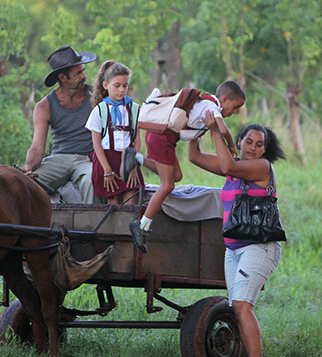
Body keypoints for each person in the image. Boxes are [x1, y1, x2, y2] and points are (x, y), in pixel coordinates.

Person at [188, 114, 286, 357]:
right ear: (239, 141)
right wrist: (194, 127)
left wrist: (216, 131)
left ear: (264, 150)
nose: (253, 148)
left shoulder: (261, 167)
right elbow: (194, 157)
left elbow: (228, 162)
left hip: (259, 247)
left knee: (242, 306)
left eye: (259, 144)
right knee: (238, 307)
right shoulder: (234, 168)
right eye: (248, 141)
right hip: (233, 250)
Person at [122, 80, 246, 252]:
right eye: (235, 107)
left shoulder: (202, 104)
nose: (234, 112)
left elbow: (193, 150)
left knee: (177, 176)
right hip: (163, 138)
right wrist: (232, 148)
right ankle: (142, 226)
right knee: (168, 185)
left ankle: (136, 158)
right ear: (224, 99)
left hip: (162, 137)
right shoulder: (212, 107)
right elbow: (224, 130)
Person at [23, 45, 97, 203]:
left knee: (92, 180)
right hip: (59, 159)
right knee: (29, 184)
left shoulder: (95, 97)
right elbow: (37, 147)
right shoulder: (44, 106)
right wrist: (28, 168)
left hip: (88, 159)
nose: (84, 75)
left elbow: (109, 133)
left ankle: (92, 226)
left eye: (83, 70)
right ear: (63, 78)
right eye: (78, 73)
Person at [85, 61, 144, 205]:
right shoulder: (100, 110)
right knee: (113, 206)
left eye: (125, 85)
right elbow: (96, 143)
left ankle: (129, 227)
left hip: (127, 161)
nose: (122, 90)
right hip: (107, 161)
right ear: (106, 85)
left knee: (130, 204)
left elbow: (137, 140)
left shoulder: (134, 109)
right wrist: (107, 170)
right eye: (117, 86)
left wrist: (132, 166)